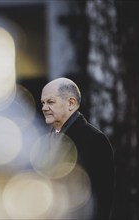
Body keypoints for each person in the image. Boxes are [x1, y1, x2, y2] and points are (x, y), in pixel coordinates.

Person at [40, 77, 115, 219]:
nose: (44, 108)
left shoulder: (94, 140)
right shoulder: (44, 139)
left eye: (50, 102)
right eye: (43, 103)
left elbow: (102, 200)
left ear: (71, 103)